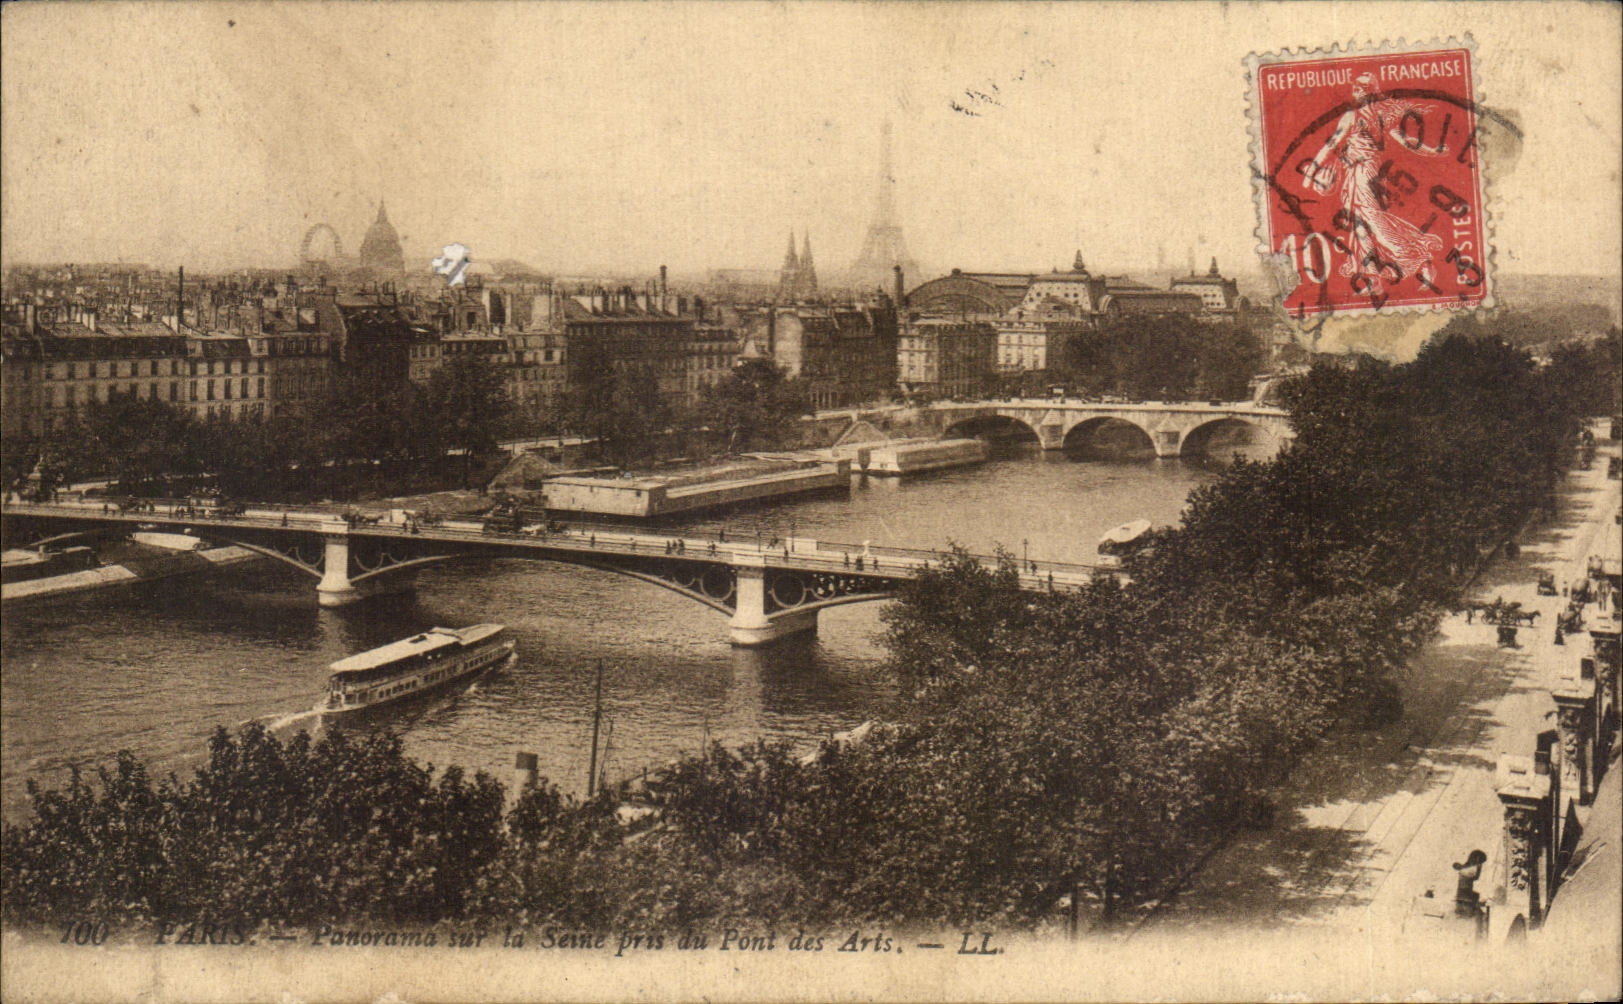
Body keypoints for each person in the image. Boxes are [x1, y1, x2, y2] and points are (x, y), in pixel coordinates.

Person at [1301, 73, 1446, 297]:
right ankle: (1372, 278)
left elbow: (1333, 144)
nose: (1358, 93)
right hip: (1366, 173)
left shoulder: (1355, 115)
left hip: (1364, 173)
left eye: (1361, 89)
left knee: (1374, 223)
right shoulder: (1381, 115)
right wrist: (1432, 151)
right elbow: (1408, 142)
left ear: (1368, 92)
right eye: (1357, 89)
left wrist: (1311, 171)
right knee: (1360, 223)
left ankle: (1419, 260)